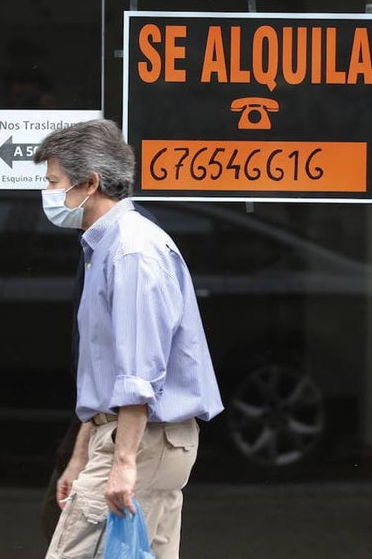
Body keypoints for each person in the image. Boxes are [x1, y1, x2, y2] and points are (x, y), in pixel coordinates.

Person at [33, 119, 223, 559]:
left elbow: (138, 374)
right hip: (135, 438)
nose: (48, 194)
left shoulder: (131, 252)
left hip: (141, 440)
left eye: (54, 182)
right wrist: (82, 454)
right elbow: (108, 370)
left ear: (90, 183)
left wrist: (121, 462)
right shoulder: (108, 245)